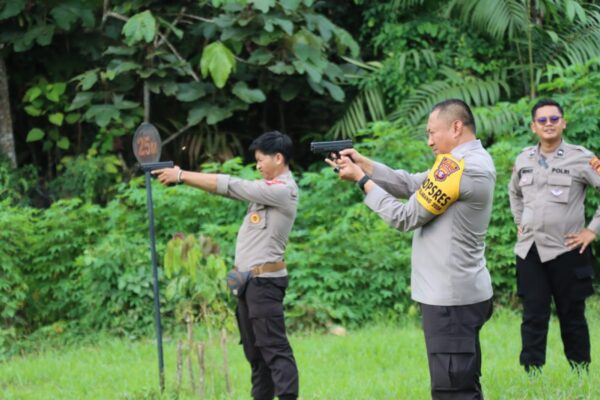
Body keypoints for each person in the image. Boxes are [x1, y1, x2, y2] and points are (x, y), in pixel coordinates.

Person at [328, 99, 495, 399]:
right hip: (458, 294)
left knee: (452, 390)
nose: (429, 140)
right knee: (463, 384)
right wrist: (364, 163)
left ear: (456, 127)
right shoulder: (467, 162)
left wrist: (361, 181)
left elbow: (405, 216)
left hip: (450, 300)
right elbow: (412, 184)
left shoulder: (459, 167)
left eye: (433, 132)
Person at [153, 131, 299, 400]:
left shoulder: (282, 190)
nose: (257, 165)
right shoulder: (267, 190)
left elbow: (230, 185)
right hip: (248, 284)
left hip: (265, 283)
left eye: (260, 160)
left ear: (278, 158)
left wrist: (182, 175)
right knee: (255, 354)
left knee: (274, 349)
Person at [508, 98, 599, 374]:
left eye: (554, 119)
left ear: (563, 122)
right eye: (542, 120)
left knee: (572, 316)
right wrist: (519, 220)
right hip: (530, 251)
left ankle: (580, 372)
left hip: (567, 250)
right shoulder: (523, 158)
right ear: (534, 126)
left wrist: (591, 231)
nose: (549, 124)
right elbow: (514, 192)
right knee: (533, 316)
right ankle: (532, 374)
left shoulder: (582, 158)